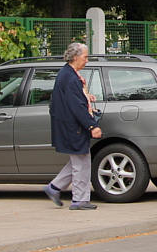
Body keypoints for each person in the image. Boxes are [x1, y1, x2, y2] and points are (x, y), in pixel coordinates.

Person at [43, 42, 102, 210]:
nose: (87, 60)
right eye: (85, 57)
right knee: (81, 163)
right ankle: (79, 200)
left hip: (70, 126)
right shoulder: (70, 77)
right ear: (75, 57)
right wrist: (92, 126)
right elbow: (76, 106)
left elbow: (73, 99)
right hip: (73, 127)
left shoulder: (68, 74)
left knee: (79, 160)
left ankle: (54, 187)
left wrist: (86, 96)